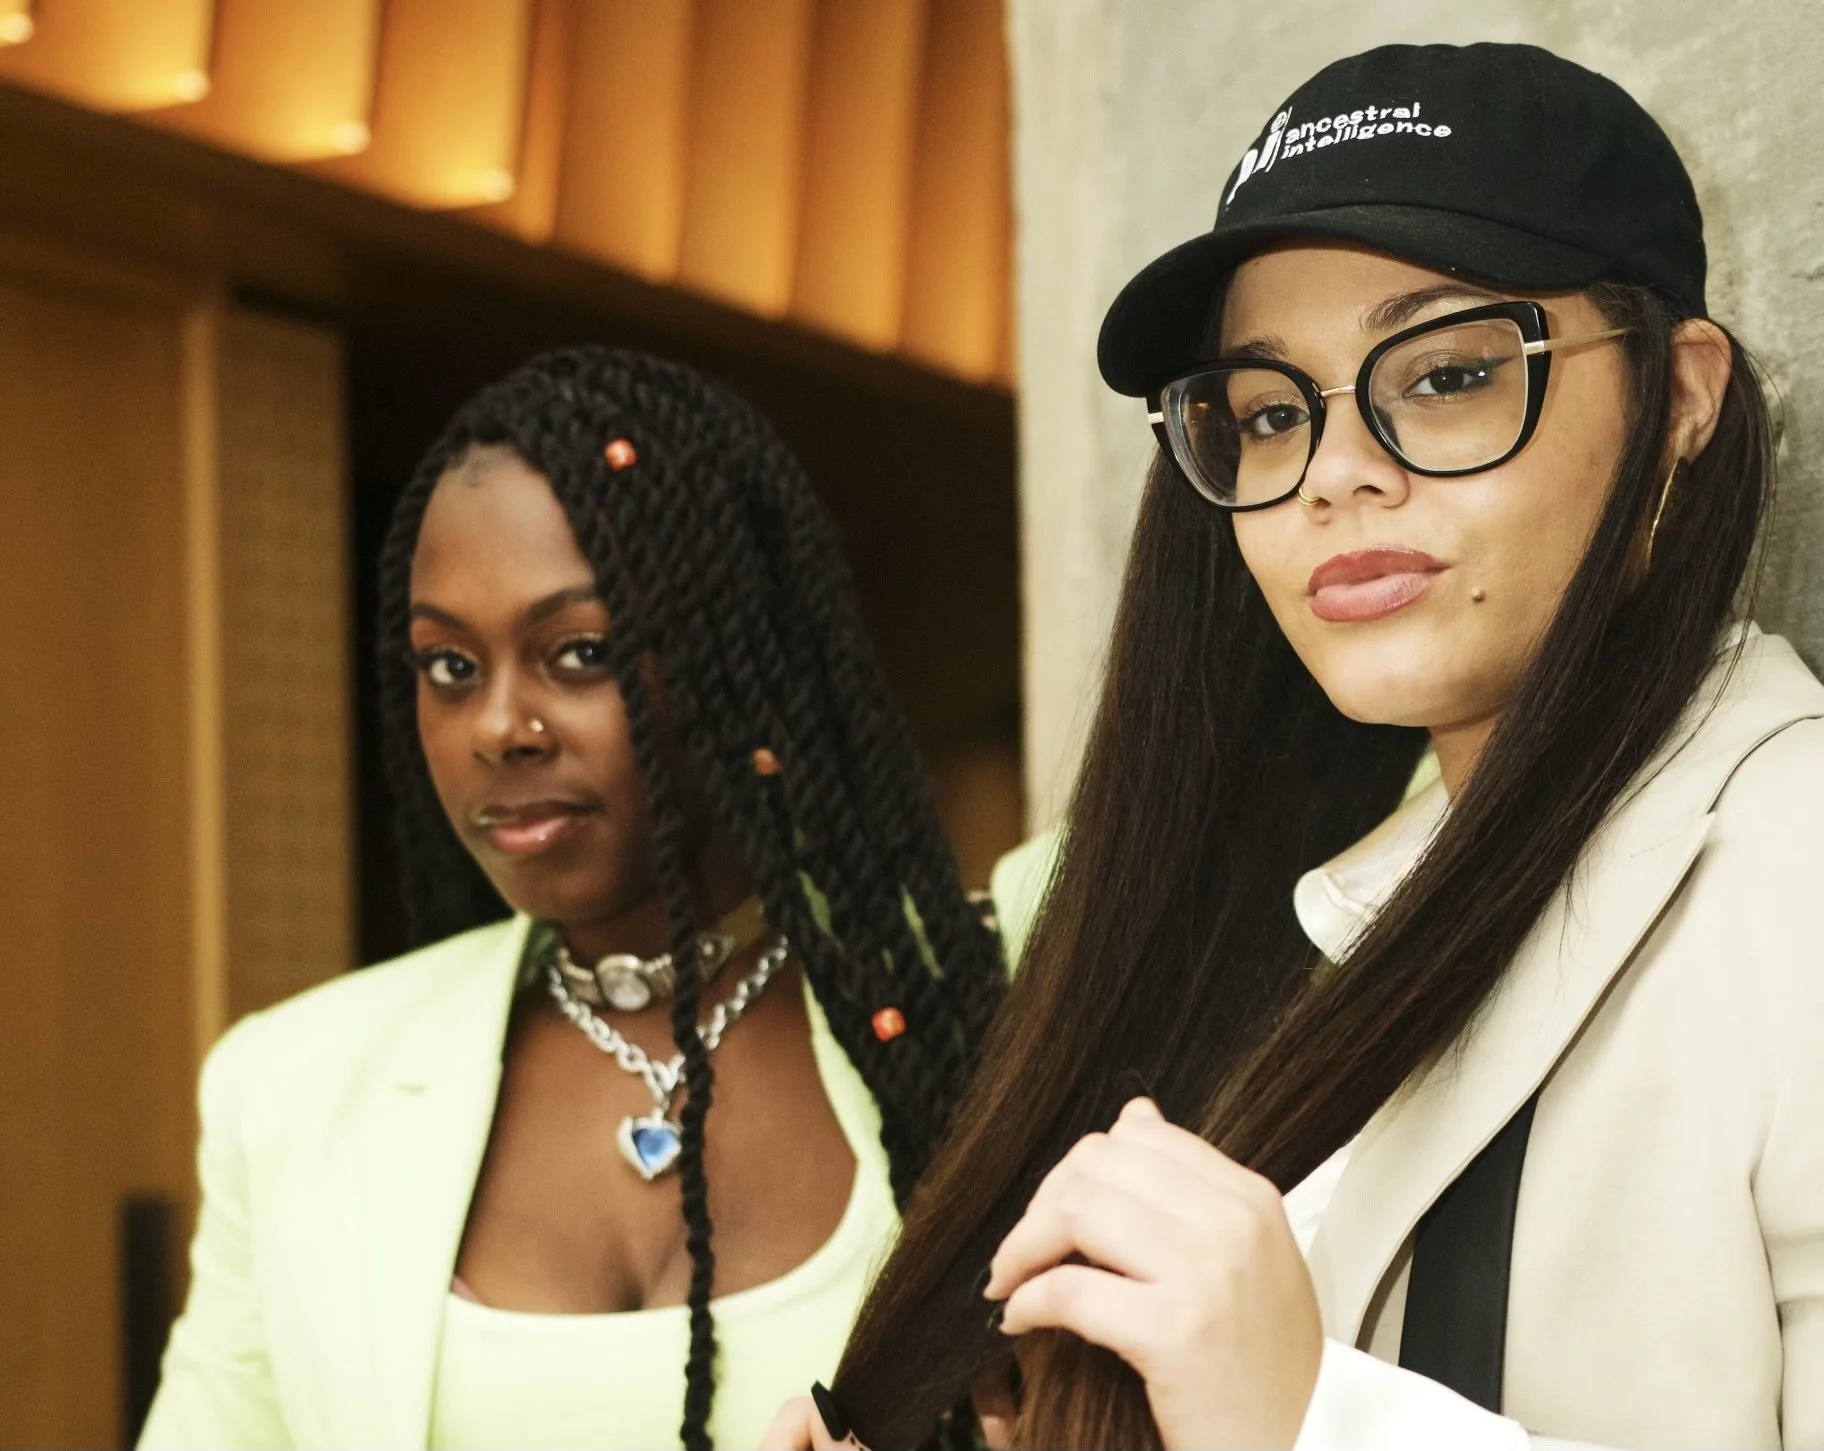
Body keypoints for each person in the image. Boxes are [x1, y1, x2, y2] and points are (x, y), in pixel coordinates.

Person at [767, 41, 1824, 1451]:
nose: (1335, 474)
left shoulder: (1789, 868)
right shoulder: (1304, 915)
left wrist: (1311, 1415)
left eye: (1446, 374)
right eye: (1271, 413)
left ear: (1682, 394)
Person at [140, 347, 1004, 1450]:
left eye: (580, 650)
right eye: (450, 666)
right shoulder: (293, 1085)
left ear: (733, 657)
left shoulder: (979, 1012)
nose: (501, 726)